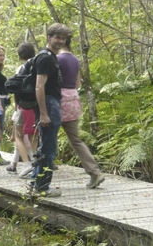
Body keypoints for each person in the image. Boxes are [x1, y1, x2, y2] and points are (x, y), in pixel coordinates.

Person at [23, 23, 70, 197]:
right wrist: (43, 113)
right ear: (49, 37)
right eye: (57, 37)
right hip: (48, 105)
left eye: (63, 38)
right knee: (49, 148)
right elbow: (39, 86)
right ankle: (42, 187)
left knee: (45, 147)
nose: (60, 41)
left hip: (51, 103)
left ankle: (35, 183)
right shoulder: (45, 58)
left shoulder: (50, 57)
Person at [58, 36, 105, 189]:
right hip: (73, 99)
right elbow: (77, 83)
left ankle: (41, 177)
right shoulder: (75, 59)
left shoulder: (57, 59)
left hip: (59, 100)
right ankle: (95, 172)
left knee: (47, 138)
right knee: (76, 140)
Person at [7, 42, 34, 173]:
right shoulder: (38, 66)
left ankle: (28, 164)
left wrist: (16, 107)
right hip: (36, 106)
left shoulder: (21, 69)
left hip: (22, 105)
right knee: (34, 135)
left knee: (19, 136)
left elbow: (16, 88)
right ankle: (33, 163)